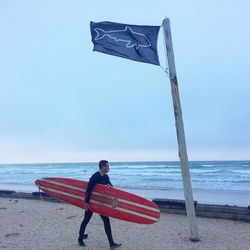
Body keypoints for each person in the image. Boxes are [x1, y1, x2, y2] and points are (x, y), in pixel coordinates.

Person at [78, 160, 122, 249]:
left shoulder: (106, 177)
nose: (109, 168)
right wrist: (86, 202)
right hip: (92, 203)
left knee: (106, 221)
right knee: (86, 219)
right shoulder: (95, 176)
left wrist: (110, 187)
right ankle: (80, 238)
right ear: (103, 167)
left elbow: (111, 187)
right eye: (108, 166)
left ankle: (111, 243)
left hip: (101, 203)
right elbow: (88, 189)